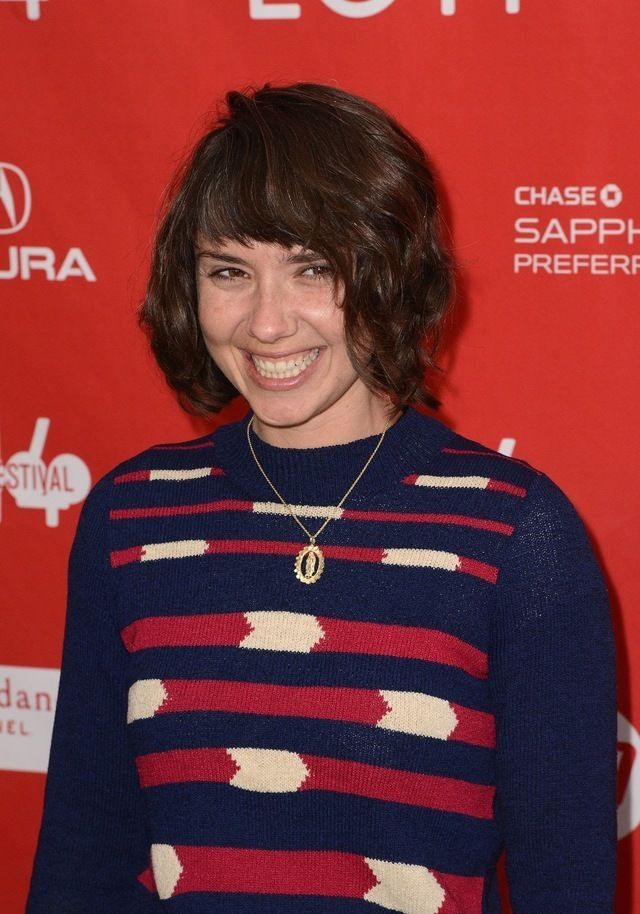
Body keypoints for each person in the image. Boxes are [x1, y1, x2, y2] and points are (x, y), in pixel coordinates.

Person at [27, 82, 617, 913]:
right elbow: (81, 857)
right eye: (229, 271)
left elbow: (567, 885)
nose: (266, 323)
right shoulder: (131, 516)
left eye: (313, 268)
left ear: (391, 270)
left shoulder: (515, 531)